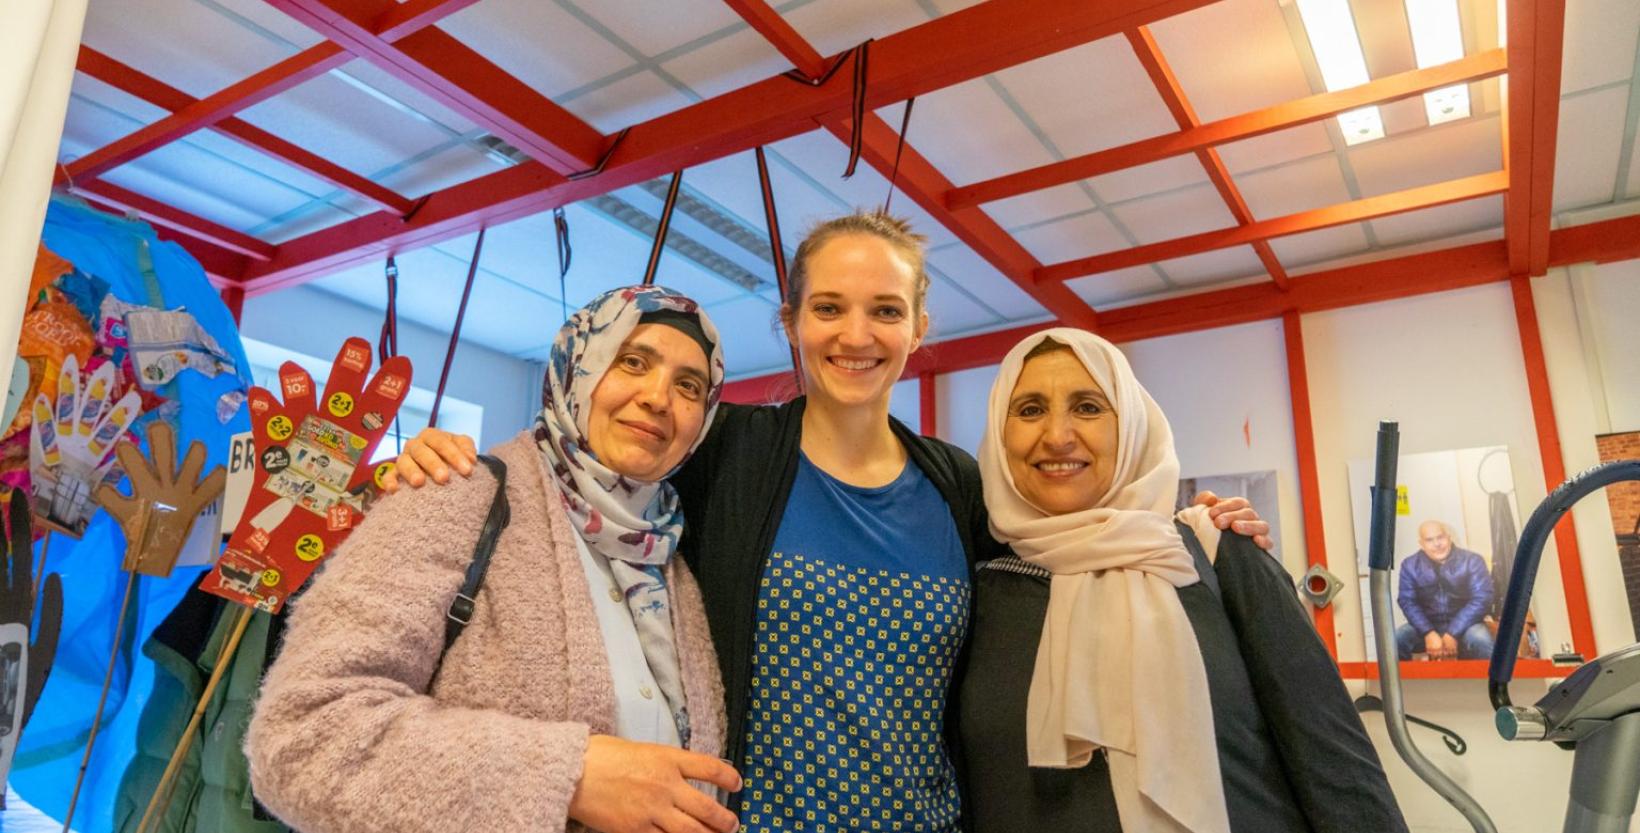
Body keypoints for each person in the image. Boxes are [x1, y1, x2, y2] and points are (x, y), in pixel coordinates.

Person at [389, 212, 1274, 832]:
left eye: (885, 309)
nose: (857, 334)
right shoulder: (726, 451)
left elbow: (1059, 550)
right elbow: (600, 474)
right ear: (791, 322)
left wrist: (1181, 520)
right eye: (829, 308)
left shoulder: (957, 484)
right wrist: (447, 462)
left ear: (920, 325)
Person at [245, 286, 742, 833]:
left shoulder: (670, 557)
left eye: (689, 386)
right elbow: (302, 737)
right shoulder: (455, 490)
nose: (657, 397)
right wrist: (567, 775)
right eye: (632, 361)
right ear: (578, 364)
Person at [962, 329, 1405, 833]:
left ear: (1130, 424)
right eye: (1029, 410)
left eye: (1088, 407)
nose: (1058, 435)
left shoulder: (1215, 551)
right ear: (999, 433)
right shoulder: (976, 589)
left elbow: (1336, 762)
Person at [1395, 520, 1494, 661]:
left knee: (1481, 640)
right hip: (1426, 626)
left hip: (1468, 625)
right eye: (1429, 540)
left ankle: (1491, 683)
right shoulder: (1410, 565)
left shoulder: (1472, 561)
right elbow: (1407, 601)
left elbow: (1482, 598)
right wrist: (1428, 632)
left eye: (1440, 537)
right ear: (1421, 544)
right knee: (1396, 640)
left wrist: (1452, 633)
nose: (1437, 544)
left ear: (1449, 537)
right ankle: (1401, 683)